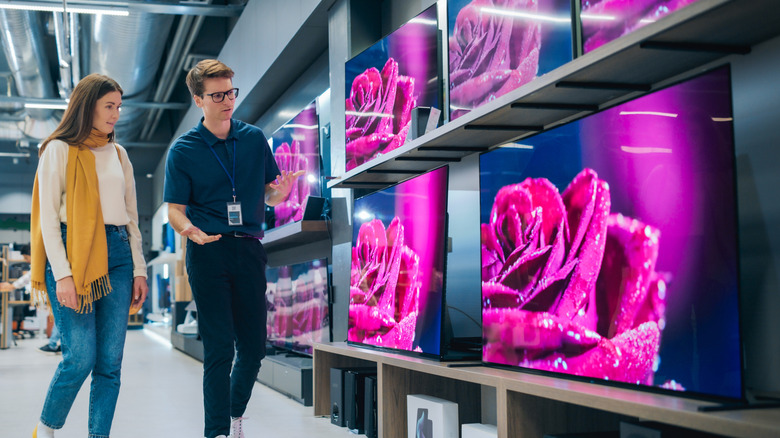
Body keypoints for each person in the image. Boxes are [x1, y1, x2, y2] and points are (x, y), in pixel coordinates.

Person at [163, 59, 303, 438]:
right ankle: (217, 432)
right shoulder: (183, 150)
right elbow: (174, 209)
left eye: (230, 92)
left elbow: (269, 194)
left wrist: (280, 194)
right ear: (198, 100)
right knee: (220, 349)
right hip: (207, 250)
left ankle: (233, 415)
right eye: (217, 95)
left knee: (254, 349)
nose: (227, 101)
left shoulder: (254, 139)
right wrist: (187, 228)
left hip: (250, 251)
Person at [29, 73, 149, 438]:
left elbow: (131, 216)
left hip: (119, 255)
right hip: (73, 255)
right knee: (80, 356)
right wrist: (62, 274)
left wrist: (140, 269)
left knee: (110, 363)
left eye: (119, 107)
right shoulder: (58, 150)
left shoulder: (119, 154)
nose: (116, 114)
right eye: (109, 106)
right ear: (87, 106)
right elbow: (48, 220)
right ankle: (45, 429)